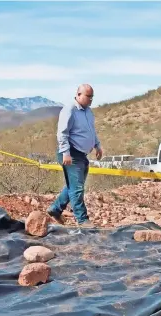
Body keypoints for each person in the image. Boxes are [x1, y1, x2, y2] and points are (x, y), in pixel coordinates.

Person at [47, 84, 103, 227]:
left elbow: (91, 131)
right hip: (71, 152)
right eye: (88, 96)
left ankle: (55, 209)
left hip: (81, 154)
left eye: (92, 97)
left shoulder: (88, 112)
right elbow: (62, 133)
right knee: (77, 188)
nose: (90, 99)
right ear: (78, 95)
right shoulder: (70, 109)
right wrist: (66, 152)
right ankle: (82, 220)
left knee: (74, 186)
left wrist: (97, 145)